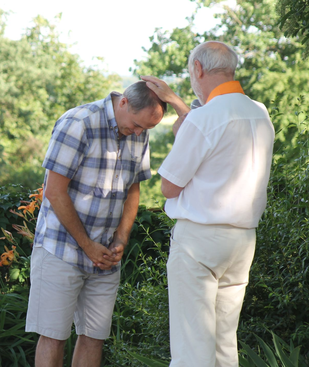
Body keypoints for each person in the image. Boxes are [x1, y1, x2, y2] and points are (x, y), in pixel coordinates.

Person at [142, 41, 275, 366]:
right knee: (223, 347)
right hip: (242, 240)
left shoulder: (205, 118)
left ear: (198, 69)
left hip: (200, 240)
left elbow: (169, 186)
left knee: (192, 351)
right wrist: (176, 102)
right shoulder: (259, 112)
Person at [25, 81, 167, 367]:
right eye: (137, 125)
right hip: (60, 249)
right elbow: (54, 191)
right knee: (53, 336)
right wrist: (88, 245)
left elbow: (133, 190)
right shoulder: (78, 122)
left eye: (146, 130)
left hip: (105, 257)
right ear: (124, 103)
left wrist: (121, 239)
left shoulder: (139, 131)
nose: (140, 133)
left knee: (94, 336)